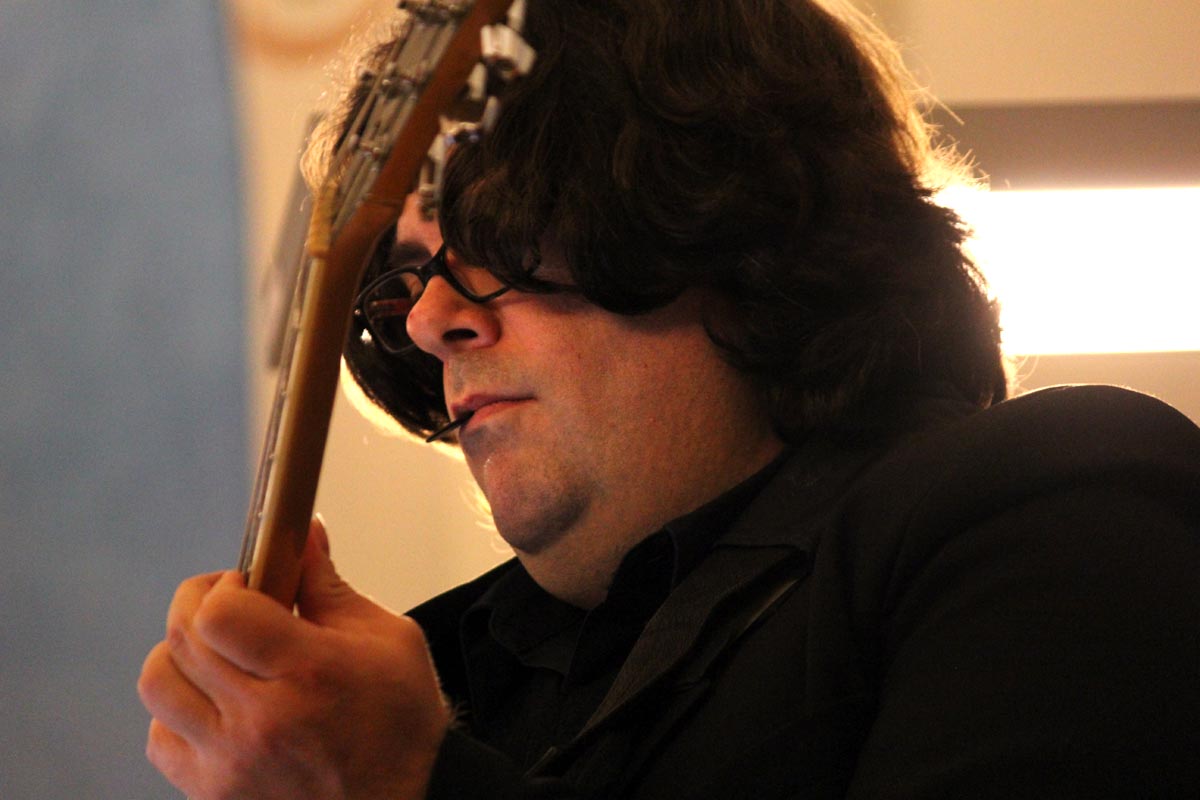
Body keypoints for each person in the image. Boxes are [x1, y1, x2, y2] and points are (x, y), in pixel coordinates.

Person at [138, 1, 1200, 797]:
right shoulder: (442, 673)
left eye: (499, 233)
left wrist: (413, 782)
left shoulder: (1060, 499)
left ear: (728, 216)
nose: (426, 323)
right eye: (406, 277)